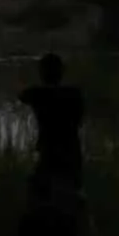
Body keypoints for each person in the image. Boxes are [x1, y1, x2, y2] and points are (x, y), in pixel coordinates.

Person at [19, 52, 84, 190]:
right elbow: (80, 119)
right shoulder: (74, 94)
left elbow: (22, 95)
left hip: (49, 152)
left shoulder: (36, 94)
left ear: (42, 73)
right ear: (62, 73)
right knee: (71, 191)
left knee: (38, 192)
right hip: (71, 151)